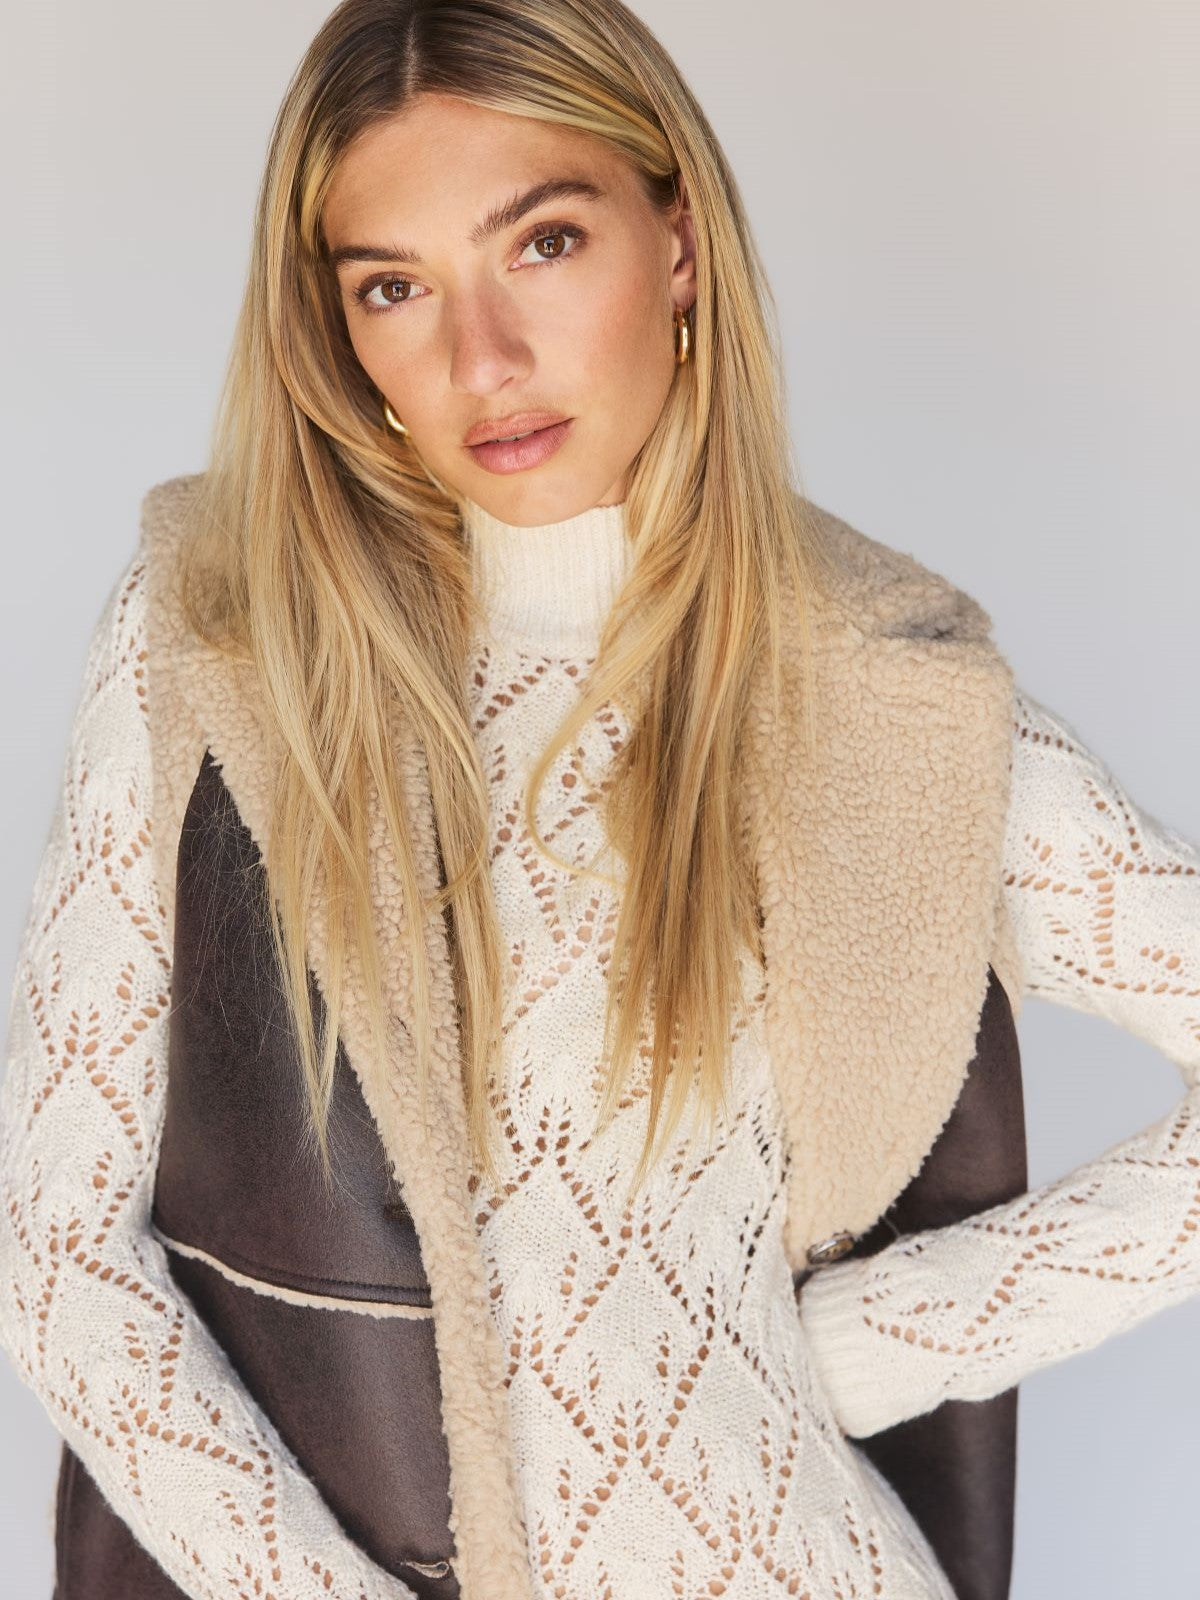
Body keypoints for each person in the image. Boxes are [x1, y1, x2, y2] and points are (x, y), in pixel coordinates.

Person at [2, 1, 1197, 1597]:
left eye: (545, 244)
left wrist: (836, 1353)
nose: (480, 359)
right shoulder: (217, 639)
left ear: (679, 243)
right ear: (334, 330)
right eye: (393, 287)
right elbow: (54, 1247)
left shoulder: (883, 701)